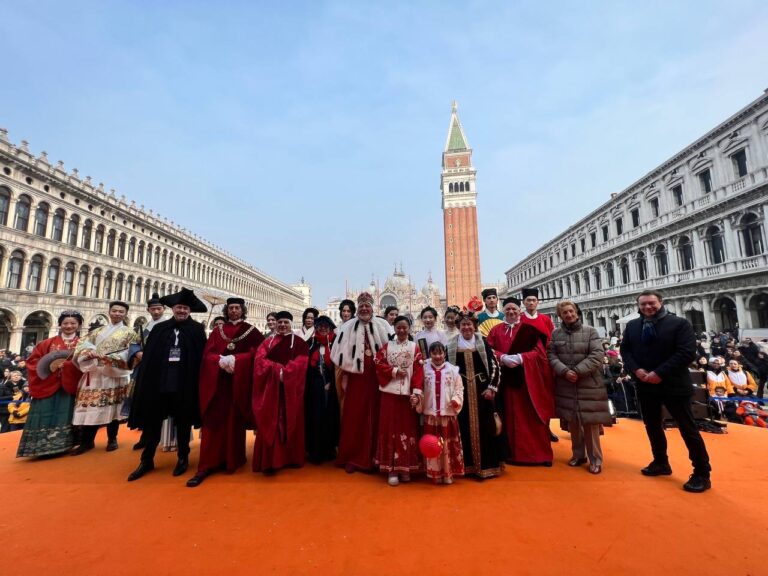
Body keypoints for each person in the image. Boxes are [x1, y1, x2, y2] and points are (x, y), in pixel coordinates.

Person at [620, 290, 711, 493]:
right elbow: (625, 350)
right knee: (652, 425)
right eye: (643, 304)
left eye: (651, 303)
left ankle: (702, 473)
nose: (647, 307)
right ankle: (660, 462)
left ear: (661, 302)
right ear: (638, 306)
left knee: (687, 428)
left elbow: (686, 353)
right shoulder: (633, 326)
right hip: (645, 383)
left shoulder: (679, 324)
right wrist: (637, 370)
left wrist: (659, 373)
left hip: (674, 384)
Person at [126, 288, 208, 481]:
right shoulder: (160, 329)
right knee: (153, 423)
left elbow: (201, 359)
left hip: (184, 384)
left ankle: (183, 457)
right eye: (179, 307)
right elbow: (150, 358)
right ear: (173, 309)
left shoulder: (197, 330)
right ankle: (146, 460)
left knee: (183, 422)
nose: (182, 311)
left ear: (189, 310)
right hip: (159, 383)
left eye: (185, 308)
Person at [187, 297, 264, 487]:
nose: (234, 311)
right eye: (231, 308)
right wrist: (219, 361)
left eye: (237, 308)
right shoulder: (217, 331)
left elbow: (258, 355)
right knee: (213, 423)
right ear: (226, 310)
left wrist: (238, 360)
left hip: (237, 386)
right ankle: (207, 464)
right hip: (218, 385)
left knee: (233, 422)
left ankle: (233, 459)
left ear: (242, 310)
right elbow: (208, 354)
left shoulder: (251, 331)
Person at [487, 296, 554, 466]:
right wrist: (502, 357)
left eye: (514, 309)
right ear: (504, 311)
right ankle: (510, 454)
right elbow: (488, 350)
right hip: (505, 382)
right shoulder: (495, 330)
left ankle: (537, 455)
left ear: (519, 311)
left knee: (531, 417)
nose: (511, 312)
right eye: (508, 309)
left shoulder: (529, 330)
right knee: (508, 417)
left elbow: (540, 353)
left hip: (527, 382)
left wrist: (521, 358)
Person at [548, 300, 611, 475]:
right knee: (573, 420)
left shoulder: (590, 331)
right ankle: (578, 454)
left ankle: (595, 459)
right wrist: (564, 371)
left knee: (590, 422)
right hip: (566, 384)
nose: (568, 315)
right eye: (564, 313)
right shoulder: (556, 334)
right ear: (560, 316)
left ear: (576, 312)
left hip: (588, 383)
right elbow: (551, 355)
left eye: (571, 311)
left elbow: (597, 354)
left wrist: (577, 371)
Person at [331, 292, 390, 473]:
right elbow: (338, 353)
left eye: (367, 306)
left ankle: (378, 457)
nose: (364, 309)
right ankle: (352, 457)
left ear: (373, 308)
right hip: (356, 379)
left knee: (379, 416)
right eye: (361, 306)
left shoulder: (383, 325)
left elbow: (392, 349)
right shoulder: (347, 327)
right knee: (354, 417)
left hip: (378, 379)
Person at [71, 301, 138, 454]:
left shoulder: (130, 333)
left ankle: (112, 439)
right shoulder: (97, 331)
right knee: (91, 406)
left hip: (115, 373)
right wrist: (89, 352)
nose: (117, 314)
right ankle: (87, 441)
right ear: (109, 311)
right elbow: (82, 344)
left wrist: (110, 358)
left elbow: (131, 353)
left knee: (113, 407)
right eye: (114, 310)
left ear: (125, 314)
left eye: (121, 311)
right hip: (95, 372)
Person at [16, 311, 84, 457]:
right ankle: (40, 446)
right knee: (45, 413)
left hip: (72, 386)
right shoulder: (46, 344)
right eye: (65, 323)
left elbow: (87, 366)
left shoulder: (83, 344)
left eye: (73, 323)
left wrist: (69, 367)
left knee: (69, 414)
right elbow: (32, 362)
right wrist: (49, 368)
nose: (69, 326)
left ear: (79, 325)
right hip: (48, 385)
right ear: (59, 324)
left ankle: (68, 444)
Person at [447, 310, 504, 479]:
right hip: (461, 393)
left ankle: (486, 466)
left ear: (474, 326)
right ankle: (465, 466)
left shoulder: (482, 343)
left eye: (469, 324)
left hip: (482, 392)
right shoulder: (451, 345)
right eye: (463, 325)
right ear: (458, 327)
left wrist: (492, 388)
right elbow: (447, 369)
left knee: (486, 427)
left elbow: (495, 366)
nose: (466, 327)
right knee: (462, 427)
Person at [252, 311, 309, 473]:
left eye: (286, 322)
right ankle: (271, 461)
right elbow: (259, 361)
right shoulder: (267, 342)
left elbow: (302, 362)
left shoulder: (299, 343)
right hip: (271, 390)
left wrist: (288, 372)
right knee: (272, 423)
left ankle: (291, 458)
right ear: (276, 324)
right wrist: (278, 370)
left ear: (291, 324)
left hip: (291, 391)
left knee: (291, 421)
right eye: (280, 322)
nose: (283, 325)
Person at [374, 315, 423, 486]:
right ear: (394, 328)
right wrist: (394, 371)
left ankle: (406, 467)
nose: (401, 330)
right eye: (398, 327)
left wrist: (416, 392)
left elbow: (419, 371)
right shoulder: (387, 346)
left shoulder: (414, 347)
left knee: (407, 430)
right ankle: (391, 469)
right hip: (389, 394)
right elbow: (377, 362)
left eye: (404, 327)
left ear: (409, 329)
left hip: (407, 395)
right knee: (390, 429)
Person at [412, 342, 464, 484]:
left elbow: (459, 389)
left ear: (445, 354)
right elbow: (419, 388)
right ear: (430, 354)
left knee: (446, 445)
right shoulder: (424, 369)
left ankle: (448, 473)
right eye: (434, 353)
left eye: (440, 353)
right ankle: (434, 473)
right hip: (431, 416)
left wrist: (455, 400)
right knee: (432, 444)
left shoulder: (453, 370)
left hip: (447, 415)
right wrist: (417, 399)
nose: (437, 356)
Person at [126, 293, 166, 451]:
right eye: (153, 309)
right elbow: (134, 343)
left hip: (161, 369)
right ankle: (145, 436)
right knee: (144, 401)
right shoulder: (144, 327)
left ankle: (160, 437)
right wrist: (137, 353)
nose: (156, 312)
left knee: (159, 404)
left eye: (158, 309)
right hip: (144, 369)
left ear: (164, 309)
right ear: (148, 310)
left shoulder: (168, 326)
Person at [519, 287, 559, 443]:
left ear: (538, 302)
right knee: (527, 398)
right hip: (525, 365)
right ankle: (530, 431)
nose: (531, 303)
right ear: (524, 302)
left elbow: (552, 341)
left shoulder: (545, 320)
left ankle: (546, 428)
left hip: (544, 365)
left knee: (545, 398)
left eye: (533, 300)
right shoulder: (519, 319)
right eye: (528, 300)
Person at [304, 315, 340, 464]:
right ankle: (315, 451)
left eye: (326, 327)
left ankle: (329, 449)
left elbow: (339, 365)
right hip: (314, 387)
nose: (323, 329)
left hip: (332, 387)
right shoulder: (311, 343)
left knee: (329, 417)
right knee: (315, 417)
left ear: (330, 328)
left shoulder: (336, 343)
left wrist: (331, 382)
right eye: (320, 327)